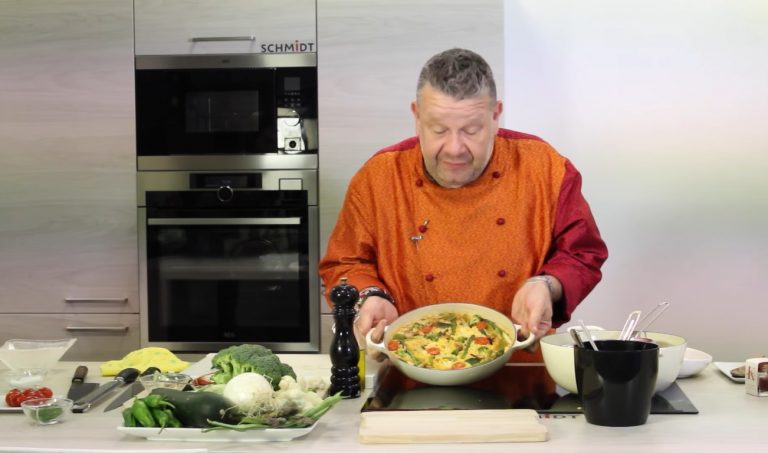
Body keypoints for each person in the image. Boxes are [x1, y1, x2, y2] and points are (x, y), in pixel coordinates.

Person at [319, 48, 608, 359]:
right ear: (417, 116)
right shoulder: (378, 177)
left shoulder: (546, 169)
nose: (454, 149)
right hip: (408, 370)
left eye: (472, 130)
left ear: (496, 116)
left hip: (522, 370)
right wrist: (369, 296)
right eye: (439, 130)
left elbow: (582, 253)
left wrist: (547, 285)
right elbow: (344, 263)